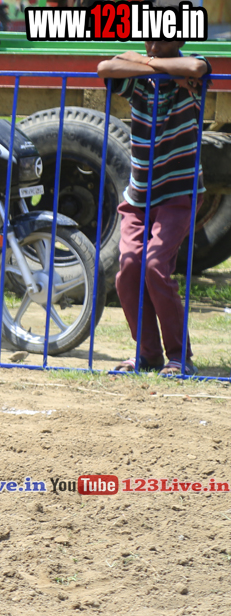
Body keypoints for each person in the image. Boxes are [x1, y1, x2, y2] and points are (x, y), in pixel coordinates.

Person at [98, 27, 209, 377]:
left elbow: (196, 67)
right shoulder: (142, 82)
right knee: (129, 269)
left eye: (161, 39)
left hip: (179, 191)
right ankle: (147, 354)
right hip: (139, 195)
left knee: (156, 266)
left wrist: (149, 63)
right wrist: (152, 63)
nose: (152, 45)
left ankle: (179, 356)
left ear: (180, 40)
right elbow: (105, 67)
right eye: (148, 39)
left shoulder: (190, 82)